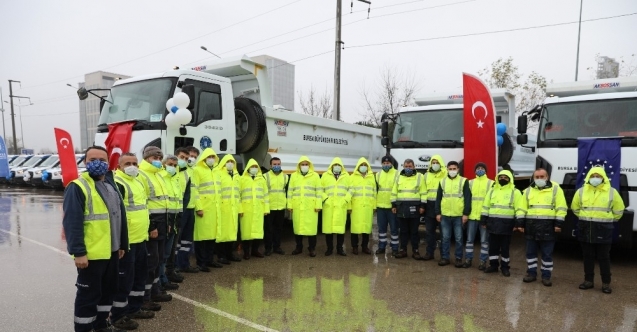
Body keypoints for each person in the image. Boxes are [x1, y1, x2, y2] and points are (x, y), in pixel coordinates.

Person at [63, 146, 129, 332]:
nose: (97, 163)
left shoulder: (111, 185)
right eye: (92, 160)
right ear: (85, 162)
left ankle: (100, 325)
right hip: (92, 255)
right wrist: (79, 252)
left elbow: (118, 217)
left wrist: (121, 244)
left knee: (107, 293)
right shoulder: (77, 187)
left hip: (112, 251)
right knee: (88, 296)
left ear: (108, 163)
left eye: (102, 159)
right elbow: (72, 222)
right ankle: (84, 329)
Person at [111, 153, 154, 331]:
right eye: (127, 163)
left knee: (139, 276)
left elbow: (144, 208)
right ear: (119, 166)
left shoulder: (137, 181)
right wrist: (120, 242)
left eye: (135, 163)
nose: (132, 166)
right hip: (127, 242)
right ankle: (119, 316)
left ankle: (135, 308)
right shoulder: (118, 183)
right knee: (124, 281)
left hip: (141, 238)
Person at [571, 166, 624, 294]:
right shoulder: (581, 191)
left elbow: (619, 210)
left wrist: (607, 219)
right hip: (586, 229)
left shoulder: (612, 192)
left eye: (598, 176)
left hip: (603, 230)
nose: (595, 178)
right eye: (593, 176)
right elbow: (575, 208)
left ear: (603, 177)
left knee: (604, 257)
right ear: (588, 177)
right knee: (587, 256)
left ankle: (606, 283)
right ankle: (588, 281)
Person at [516, 168, 567, 287]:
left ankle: (546, 276)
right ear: (533, 178)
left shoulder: (555, 189)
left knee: (547, 254)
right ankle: (531, 273)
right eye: (537, 177)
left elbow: (561, 207)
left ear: (547, 177)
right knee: (530, 253)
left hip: (548, 227)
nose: (539, 179)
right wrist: (520, 223)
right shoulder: (528, 191)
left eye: (542, 177)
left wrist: (558, 224)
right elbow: (521, 208)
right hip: (531, 226)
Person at [137, 146, 172, 304]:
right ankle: (146, 297)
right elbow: (144, 203)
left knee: (158, 261)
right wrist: (152, 227)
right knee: (150, 263)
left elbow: (164, 202)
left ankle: (155, 291)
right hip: (153, 225)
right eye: (154, 158)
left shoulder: (159, 175)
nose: (157, 161)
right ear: (146, 158)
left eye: (159, 158)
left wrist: (168, 223)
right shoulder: (142, 174)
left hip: (163, 223)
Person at [481, 170, 525, 277]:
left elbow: (519, 208)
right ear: (497, 178)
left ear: (510, 179)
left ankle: (505, 267)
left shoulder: (515, 192)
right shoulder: (492, 191)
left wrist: (518, 223)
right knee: (493, 247)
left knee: (505, 248)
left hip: (507, 225)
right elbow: (486, 206)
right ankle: (493, 266)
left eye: (506, 177)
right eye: (501, 177)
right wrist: (483, 220)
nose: (503, 179)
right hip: (493, 224)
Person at [435, 161, 471, 267]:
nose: (452, 171)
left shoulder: (464, 181)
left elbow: (468, 199)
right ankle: (445, 258)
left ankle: (458, 259)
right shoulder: (442, 182)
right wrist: (438, 213)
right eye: (450, 169)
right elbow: (438, 198)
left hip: (458, 215)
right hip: (445, 215)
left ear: (458, 169)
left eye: (454, 169)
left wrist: (465, 214)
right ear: (447, 169)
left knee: (459, 238)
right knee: (445, 238)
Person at [192, 148, 222, 272]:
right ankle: (201, 262)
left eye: (213, 157)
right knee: (201, 237)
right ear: (203, 158)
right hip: (203, 209)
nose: (211, 159)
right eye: (208, 157)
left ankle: (209, 260)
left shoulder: (216, 171)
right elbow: (195, 190)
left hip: (214, 209)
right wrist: (199, 207)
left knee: (212, 236)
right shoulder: (197, 170)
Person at [391, 159, 427, 259]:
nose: (408, 168)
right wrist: (393, 205)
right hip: (401, 207)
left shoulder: (420, 176)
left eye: (410, 166)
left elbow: (423, 192)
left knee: (414, 231)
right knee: (403, 231)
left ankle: (415, 251)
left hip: (415, 208)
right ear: (403, 166)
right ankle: (403, 250)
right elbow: (394, 191)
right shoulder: (398, 176)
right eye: (406, 166)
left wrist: (422, 206)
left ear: (414, 166)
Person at [288, 156, 322, 257]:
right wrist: (289, 204)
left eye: (306, 164)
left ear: (309, 165)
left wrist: (318, 205)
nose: (304, 166)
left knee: (311, 230)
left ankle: (312, 248)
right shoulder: (294, 176)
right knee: (298, 229)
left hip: (310, 207)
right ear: (299, 165)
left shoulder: (315, 176)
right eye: (302, 164)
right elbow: (290, 191)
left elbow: (319, 192)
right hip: (298, 206)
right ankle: (299, 247)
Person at [174, 147, 200, 273]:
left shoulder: (192, 171)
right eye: (186, 157)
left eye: (194, 157)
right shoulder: (175, 171)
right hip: (180, 209)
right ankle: (175, 266)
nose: (190, 159)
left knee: (187, 239)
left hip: (191, 208)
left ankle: (184, 263)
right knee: (177, 240)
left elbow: (195, 191)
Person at [158, 155, 181, 291]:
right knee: (162, 254)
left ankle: (164, 278)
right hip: (165, 220)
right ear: (164, 163)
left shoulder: (175, 178)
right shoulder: (161, 178)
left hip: (174, 219)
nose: (172, 167)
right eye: (170, 164)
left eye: (174, 165)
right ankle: (161, 280)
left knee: (167, 253)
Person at [464, 162, 493, 270]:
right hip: (472, 216)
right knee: (469, 240)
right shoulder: (470, 182)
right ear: (475, 171)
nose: (480, 170)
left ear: (486, 171)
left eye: (482, 168)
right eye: (478, 168)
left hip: (484, 217)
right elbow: (466, 199)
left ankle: (483, 261)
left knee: (484, 241)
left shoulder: (491, 183)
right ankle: (468, 259)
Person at [239, 159, 269, 259]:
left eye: (256, 167)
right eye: (252, 167)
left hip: (259, 209)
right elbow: (238, 195)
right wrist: (240, 209)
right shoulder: (242, 179)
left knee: (258, 231)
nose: (254, 169)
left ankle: (255, 250)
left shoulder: (261, 180)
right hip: (246, 209)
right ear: (248, 168)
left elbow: (265, 195)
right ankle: (246, 252)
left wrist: (266, 209)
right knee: (246, 232)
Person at [215, 155, 243, 263]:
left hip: (233, 209)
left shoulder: (237, 176)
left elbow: (238, 194)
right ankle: (221, 256)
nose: (230, 163)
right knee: (222, 233)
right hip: (222, 208)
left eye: (232, 161)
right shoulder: (219, 174)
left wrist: (240, 209)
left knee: (232, 232)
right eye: (228, 161)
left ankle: (229, 253)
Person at [321, 157, 350, 256]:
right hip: (329, 206)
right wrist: (325, 199)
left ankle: (340, 249)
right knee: (328, 229)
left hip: (341, 206)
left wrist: (345, 200)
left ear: (341, 167)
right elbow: (320, 189)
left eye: (339, 165)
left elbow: (351, 189)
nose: (337, 167)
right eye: (335, 165)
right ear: (331, 166)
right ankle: (329, 249)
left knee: (340, 229)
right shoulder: (325, 176)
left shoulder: (346, 176)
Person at [422, 155, 447, 261]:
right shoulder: (426, 175)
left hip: (441, 206)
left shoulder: (446, 175)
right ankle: (429, 252)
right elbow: (423, 190)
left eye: (437, 162)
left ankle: (443, 255)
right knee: (429, 231)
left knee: (443, 233)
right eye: (433, 162)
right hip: (429, 206)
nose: (435, 164)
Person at [350, 157, 376, 255]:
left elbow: (374, 193)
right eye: (361, 165)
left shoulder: (371, 177)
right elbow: (349, 193)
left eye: (365, 165)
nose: (363, 167)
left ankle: (365, 247)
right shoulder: (352, 177)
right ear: (358, 166)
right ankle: (354, 247)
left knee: (366, 227)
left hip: (368, 206)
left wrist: (374, 206)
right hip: (356, 206)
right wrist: (349, 206)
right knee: (355, 228)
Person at [263, 157, 288, 255]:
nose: (276, 166)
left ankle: (277, 247)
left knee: (278, 229)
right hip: (269, 207)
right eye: (274, 164)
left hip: (280, 207)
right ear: (270, 165)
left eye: (278, 164)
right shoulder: (265, 176)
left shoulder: (285, 177)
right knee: (268, 229)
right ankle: (268, 248)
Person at [375, 156, 399, 256]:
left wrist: (395, 205)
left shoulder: (397, 174)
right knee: (381, 229)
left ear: (392, 164)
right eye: (384, 163)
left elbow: (397, 190)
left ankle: (394, 248)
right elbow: (376, 190)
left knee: (394, 228)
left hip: (391, 206)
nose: (386, 165)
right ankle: (381, 246)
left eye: (388, 163)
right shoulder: (378, 174)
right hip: (380, 206)